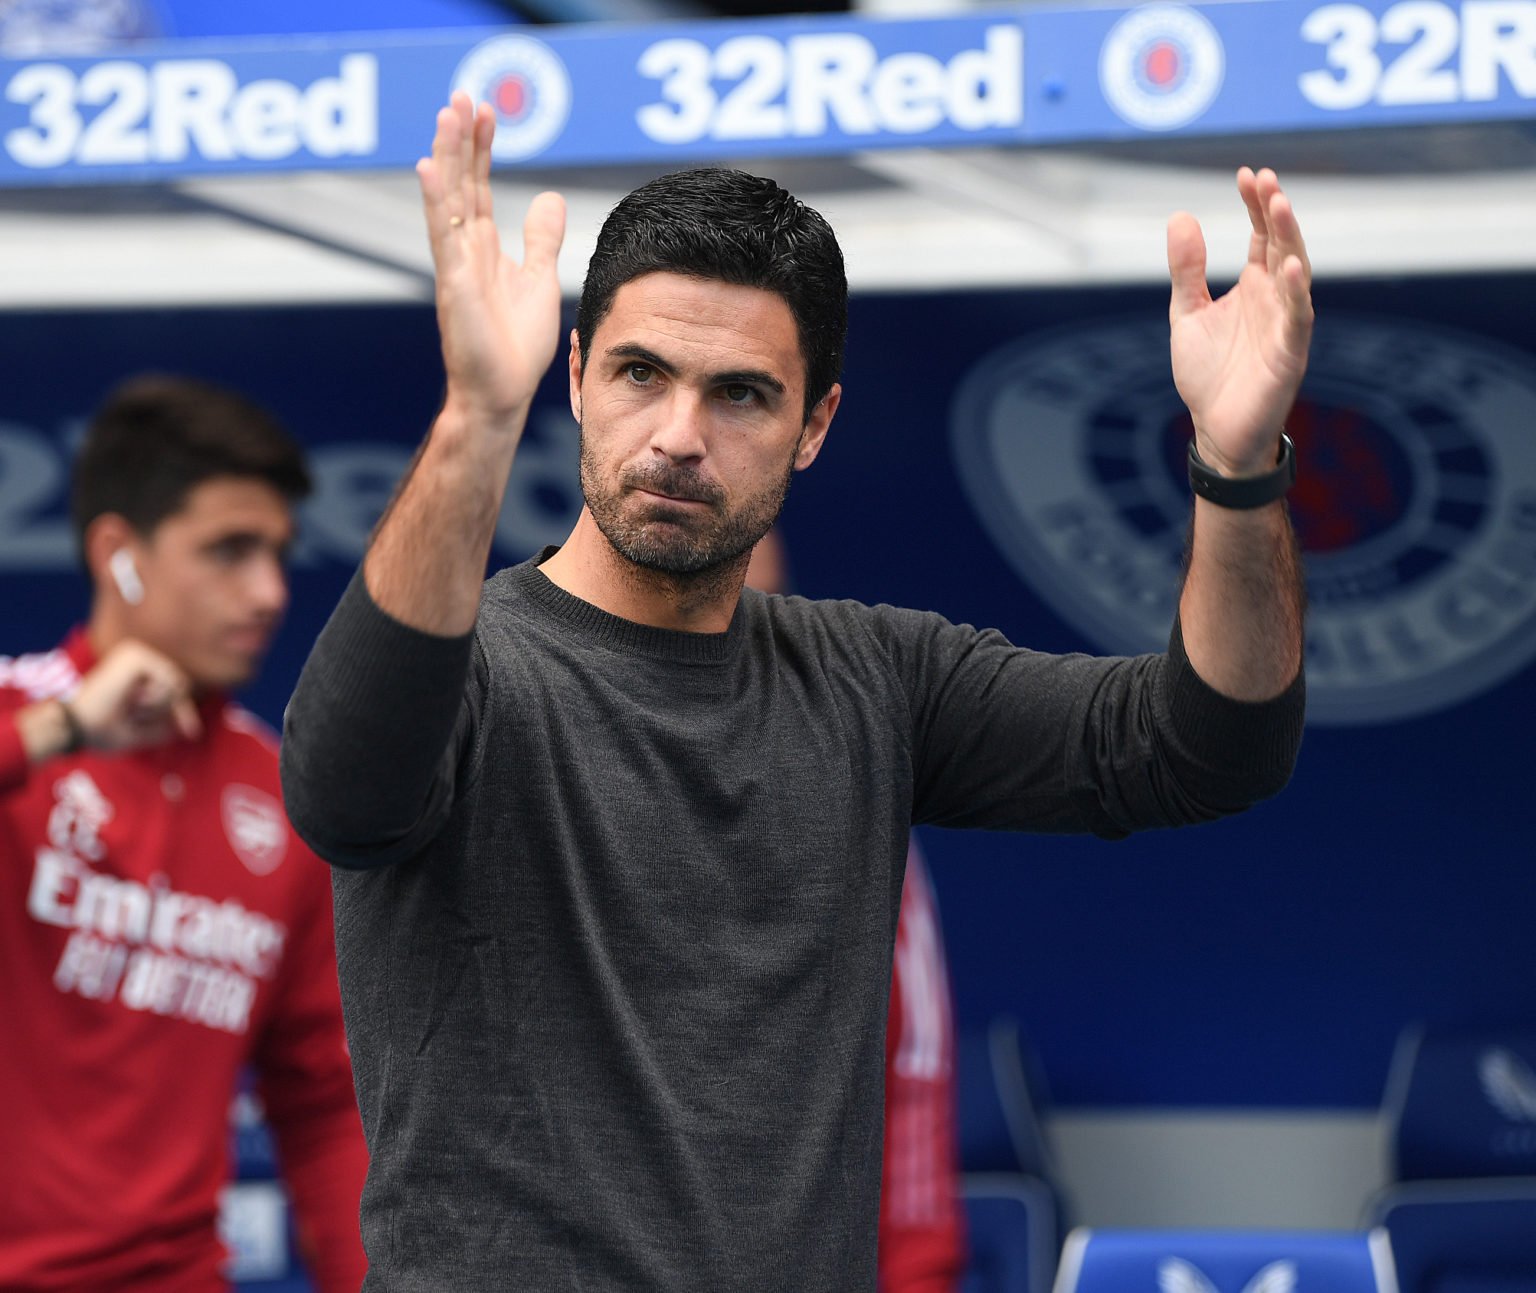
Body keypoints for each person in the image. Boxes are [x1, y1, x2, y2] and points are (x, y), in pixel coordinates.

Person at [279, 93, 1309, 1290]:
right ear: (572, 378)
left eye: (741, 393)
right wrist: (475, 418)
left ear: (815, 423)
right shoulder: (474, 665)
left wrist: (1236, 474)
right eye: (638, 373)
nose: (676, 433)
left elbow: (1212, 746)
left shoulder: (875, 677)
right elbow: (343, 795)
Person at [0, 376, 369, 1292]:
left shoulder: (282, 792)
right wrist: (65, 730)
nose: (270, 591)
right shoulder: (20, 718)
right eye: (230, 551)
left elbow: (322, 1105)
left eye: (279, 553)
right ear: (119, 554)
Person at [746, 531, 968, 1292]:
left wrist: (917, 1274)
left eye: (756, 617)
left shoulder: (850, 806)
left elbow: (913, 1067)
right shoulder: (537, 765)